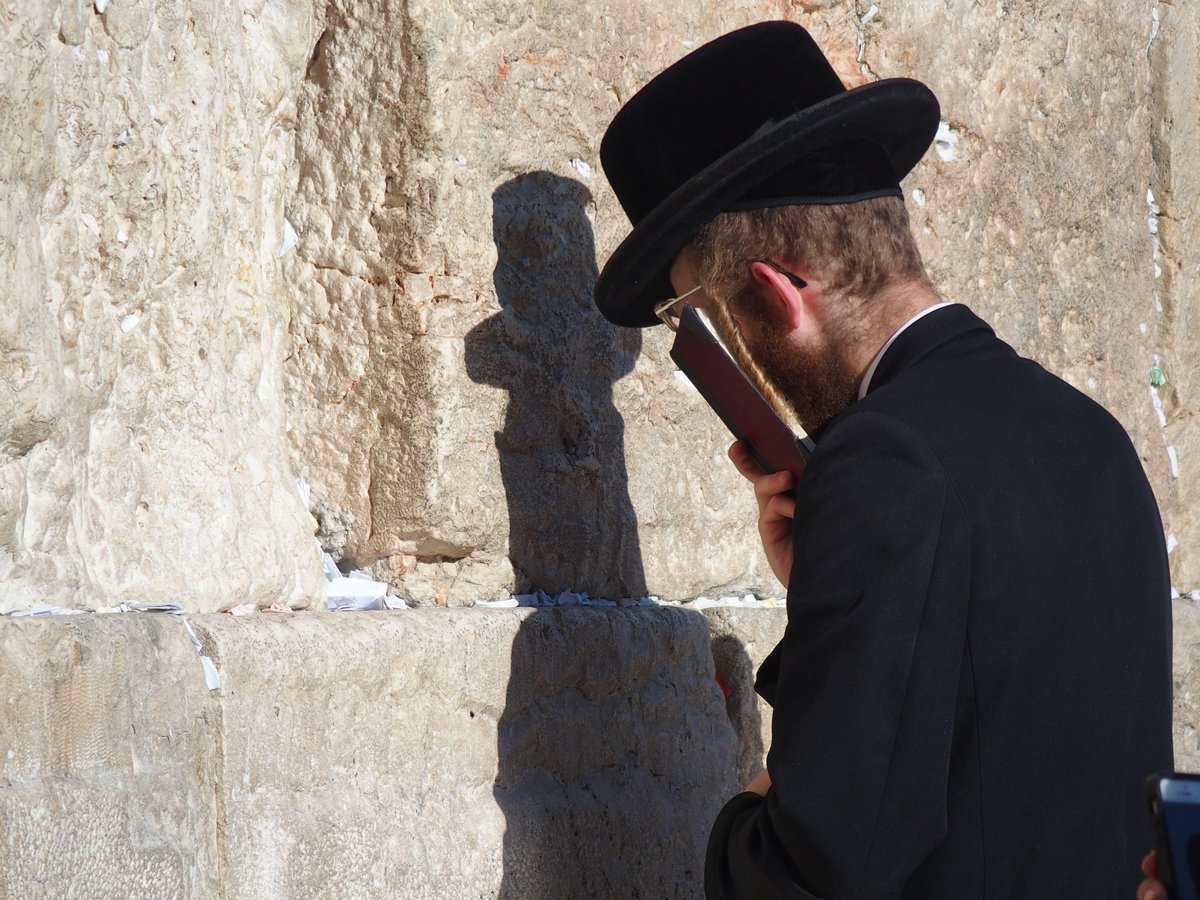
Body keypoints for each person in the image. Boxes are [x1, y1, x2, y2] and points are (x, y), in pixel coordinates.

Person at [592, 21, 1174, 899]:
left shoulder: (884, 461)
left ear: (777, 292)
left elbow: (817, 869)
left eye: (691, 321)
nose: (700, 356)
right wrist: (820, 579)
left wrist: (741, 823)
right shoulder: (1087, 431)